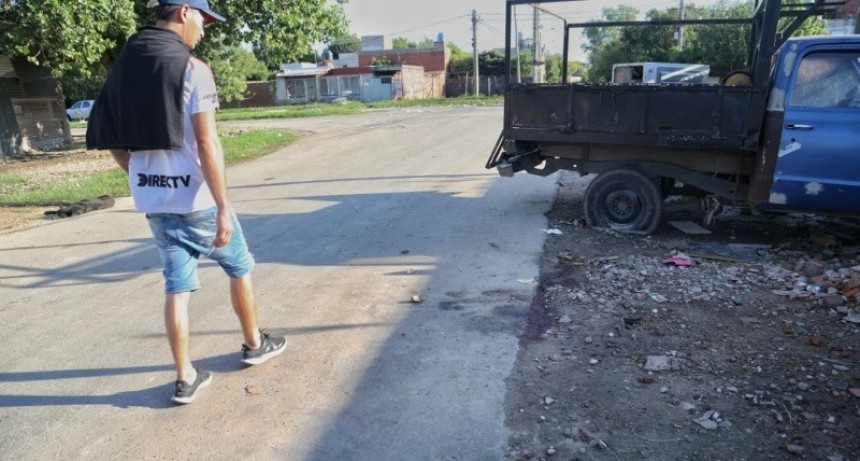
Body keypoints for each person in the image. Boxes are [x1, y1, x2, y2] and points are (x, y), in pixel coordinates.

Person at [86, 0, 286, 405]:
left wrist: (136, 174)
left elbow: (108, 132)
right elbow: (208, 142)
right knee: (240, 265)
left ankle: (185, 378)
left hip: (154, 198)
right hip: (196, 199)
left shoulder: (124, 67)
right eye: (204, 18)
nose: (205, 28)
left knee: (177, 287)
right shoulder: (193, 69)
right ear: (183, 12)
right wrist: (224, 205)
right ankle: (253, 344)